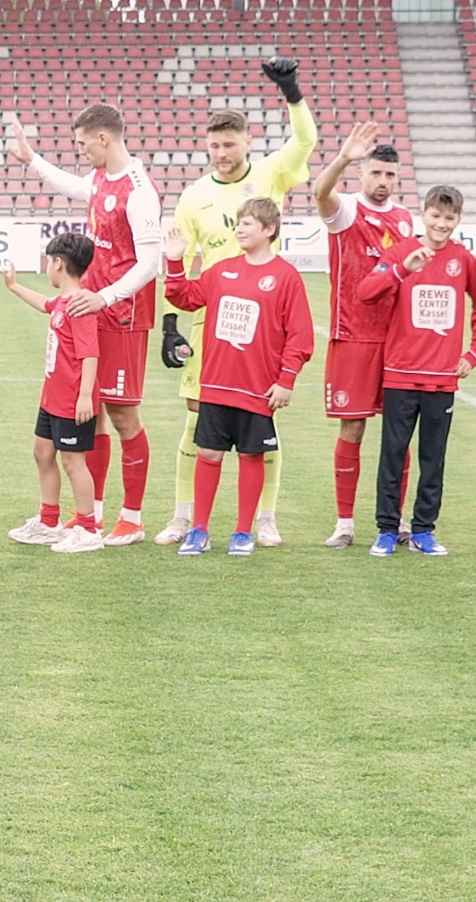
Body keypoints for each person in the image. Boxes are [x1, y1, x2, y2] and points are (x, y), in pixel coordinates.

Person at [159, 58, 319, 547]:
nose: (221, 153)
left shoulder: (270, 173)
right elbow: (180, 261)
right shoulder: (193, 195)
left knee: (259, 425)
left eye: (229, 144)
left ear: (247, 141)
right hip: (211, 321)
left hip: (262, 323)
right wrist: (170, 326)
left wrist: (291, 93)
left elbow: (305, 142)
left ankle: (261, 518)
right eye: (213, 145)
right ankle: (186, 516)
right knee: (198, 419)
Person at [7, 104, 162, 545]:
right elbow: (74, 185)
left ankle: (131, 518)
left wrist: (107, 295)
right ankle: (86, 515)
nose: (79, 152)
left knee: (123, 415)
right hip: (90, 312)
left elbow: (151, 263)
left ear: (103, 139)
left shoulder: (139, 190)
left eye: (81, 143)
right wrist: (32, 160)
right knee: (89, 417)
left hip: (123, 315)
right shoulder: (100, 180)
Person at [161, 199, 314, 557]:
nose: (240, 229)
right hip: (215, 384)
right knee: (209, 453)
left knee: (250, 456)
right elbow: (183, 296)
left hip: (257, 388)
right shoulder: (221, 270)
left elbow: (300, 336)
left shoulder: (286, 276)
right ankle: (199, 530)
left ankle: (243, 532)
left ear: (269, 230)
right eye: (239, 223)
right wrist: (174, 260)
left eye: (248, 223)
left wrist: (286, 379)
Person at [359, 186, 476, 557]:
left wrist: (474, 351)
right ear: (423, 214)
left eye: (449, 218)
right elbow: (366, 291)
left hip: (442, 378)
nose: (442, 224)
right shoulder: (401, 252)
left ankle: (423, 530)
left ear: (458, 220)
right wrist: (402, 269)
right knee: (393, 454)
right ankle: (386, 529)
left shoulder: (462, 260)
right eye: (435, 216)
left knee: (433, 457)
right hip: (400, 374)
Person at [311, 122, 413, 546]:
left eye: (390, 175)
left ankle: (397, 520)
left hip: (398, 345)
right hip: (353, 337)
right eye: (376, 173)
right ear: (362, 173)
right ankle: (345, 523)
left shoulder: (408, 220)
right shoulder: (347, 210)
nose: (383, 182)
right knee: (351, 430)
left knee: (399, 435)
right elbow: (320, 193)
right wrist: (342, 158)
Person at [2, 233, 102, 553]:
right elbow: (44, 304)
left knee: (74, 461)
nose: (47, 267)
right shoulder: (61, 302)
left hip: (73, 399)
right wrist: (14, 287)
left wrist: (85, 395)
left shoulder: (81, 305)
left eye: (48, 261)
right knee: (42, 452)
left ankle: (88, 529)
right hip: (52, 397)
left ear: (58, 263)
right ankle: (48, 522)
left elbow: (90, 353)